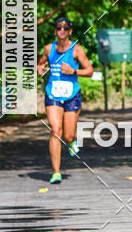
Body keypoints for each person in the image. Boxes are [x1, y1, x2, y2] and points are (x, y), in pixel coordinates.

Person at [37, 17, 93, 184]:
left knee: (68, 135)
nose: (62, 30)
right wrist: (40, 69)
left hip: (71, 95)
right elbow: (40, 64)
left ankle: (72, 140)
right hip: (53, 94)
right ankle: (56, 172)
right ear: (55, 31)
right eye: (59, 27)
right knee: (55, 130)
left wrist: (73, 71)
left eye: (65, 27)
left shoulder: (77, 50)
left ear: (70, 31)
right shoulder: (48, 49)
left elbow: (89, 70)